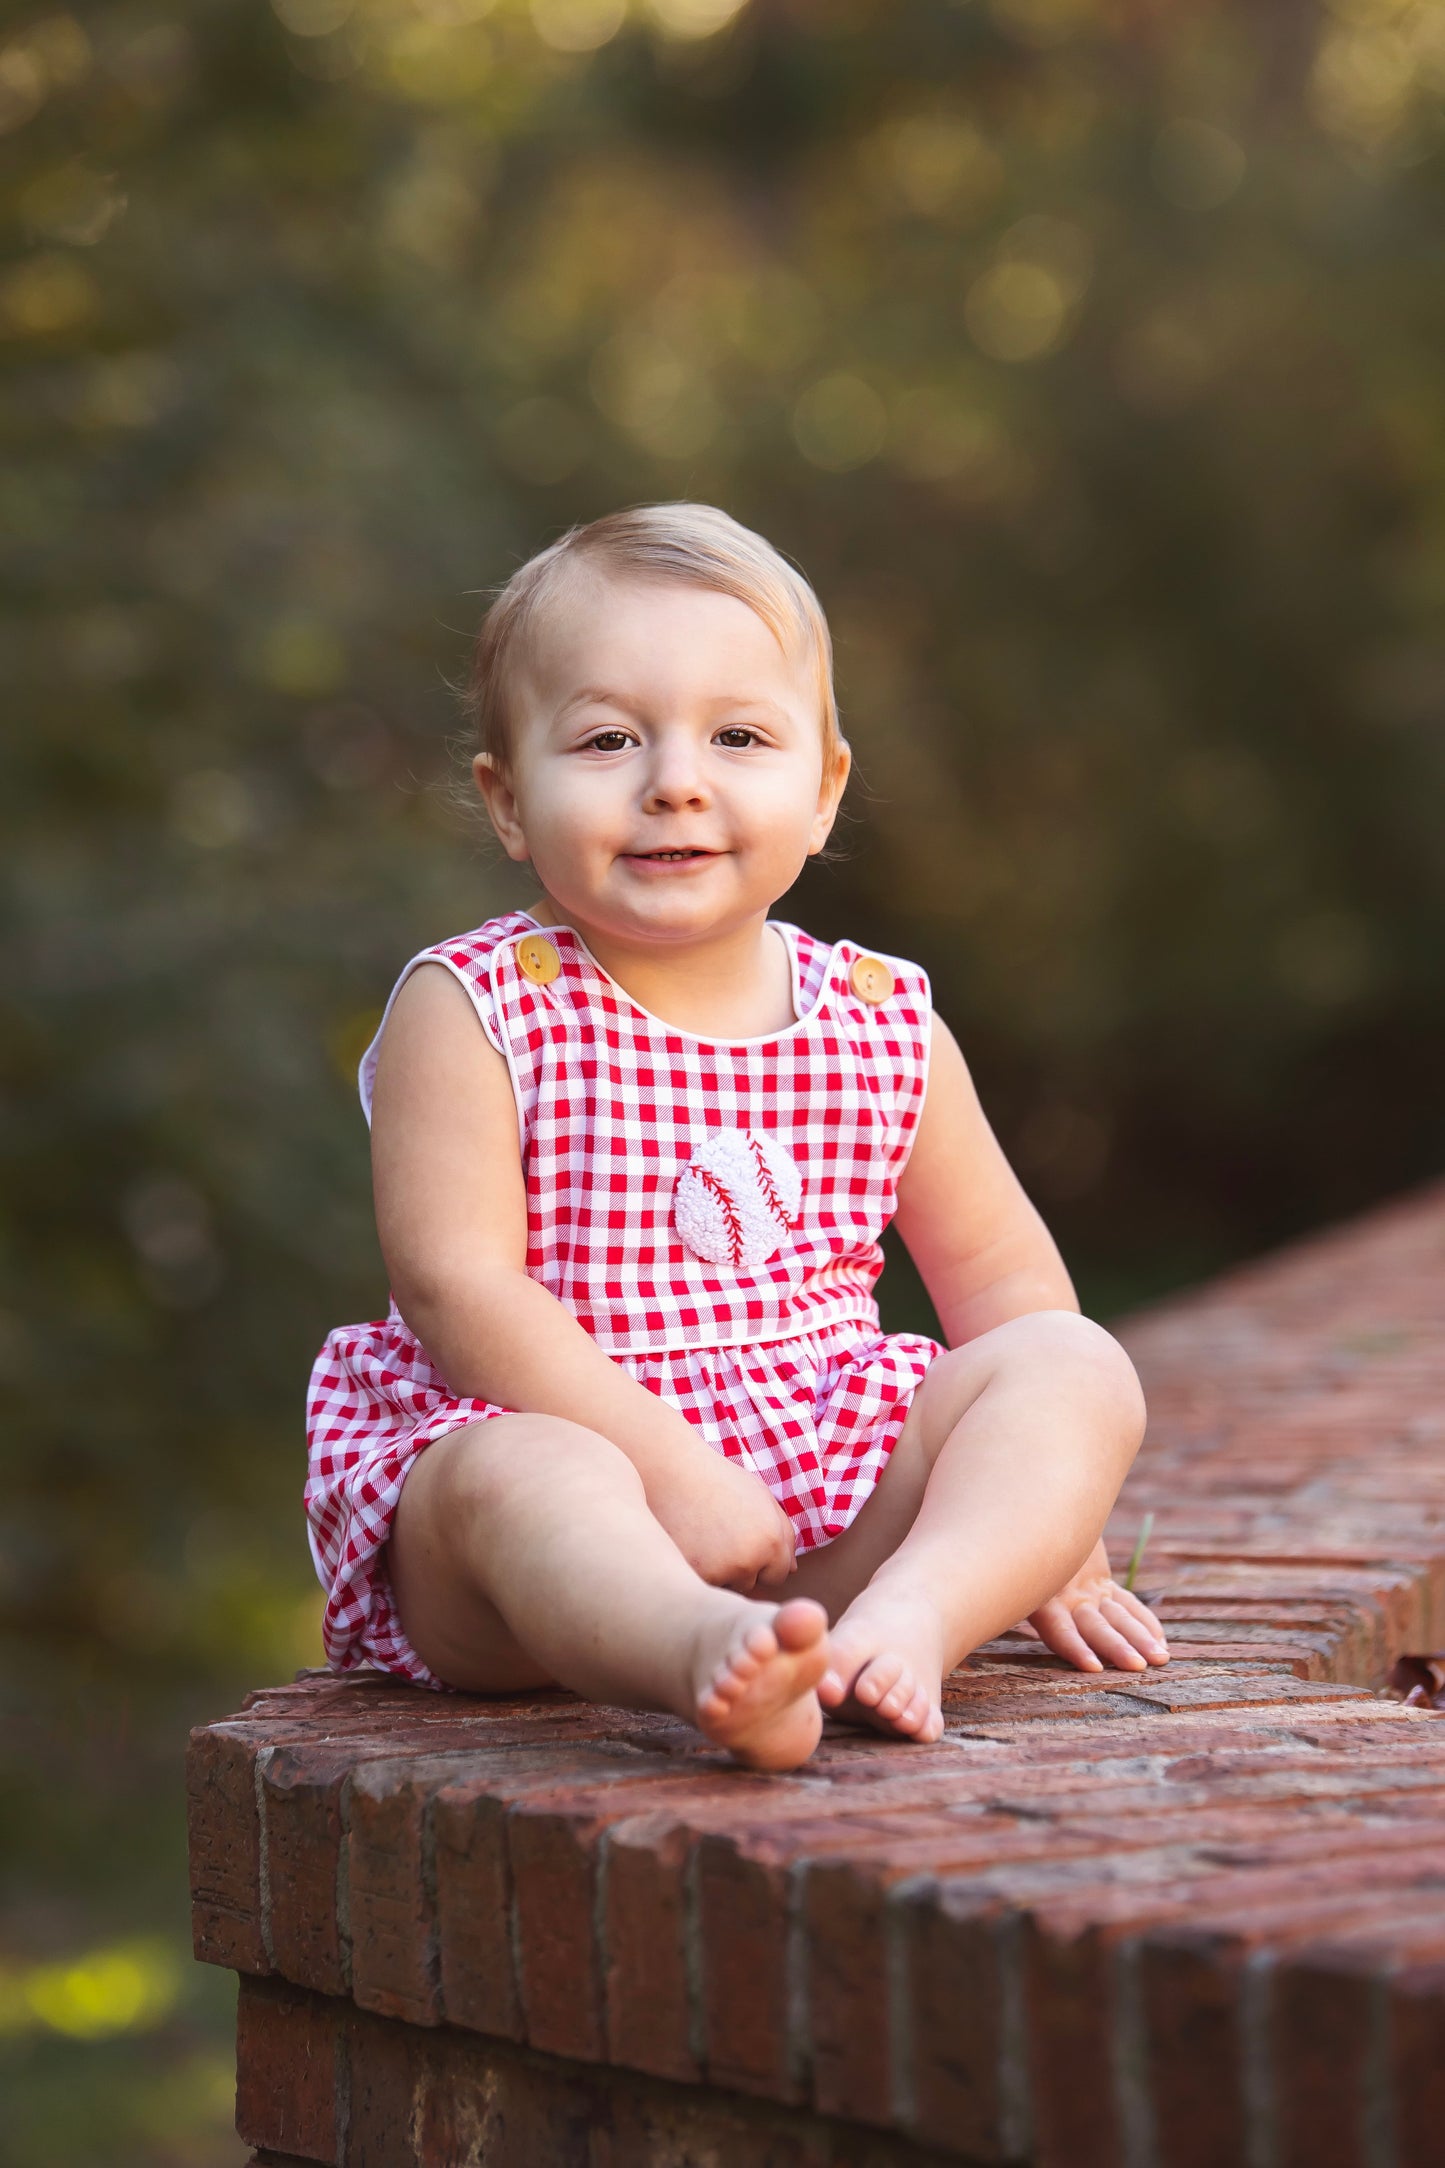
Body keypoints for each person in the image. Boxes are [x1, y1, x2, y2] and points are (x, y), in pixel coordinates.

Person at [306, 503, 1168, 1773]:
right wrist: (671, 1472)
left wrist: (1054, 1522)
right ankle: (701, 1652)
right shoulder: (480, 1003)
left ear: (821, 790)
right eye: (606, 738)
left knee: (1074, 1366)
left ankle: (905, 1622)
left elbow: (1000, 1283)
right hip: (554, 1514)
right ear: (505, 798)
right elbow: (456, 1286)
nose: (674, 778)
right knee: (517, 1473)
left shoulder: (882, 1021)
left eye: (739, 736)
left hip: (817, 1489)